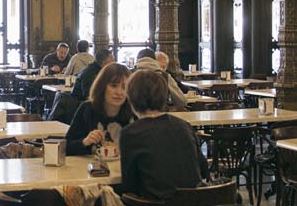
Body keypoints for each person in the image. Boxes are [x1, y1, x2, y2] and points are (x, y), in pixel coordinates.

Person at [118, 70, 205, 201]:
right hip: (197, 202)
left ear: (131, 98)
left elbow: (130, 185)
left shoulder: (130, 133)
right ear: (164, 95)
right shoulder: (184, 125)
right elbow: (203, 170)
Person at [64, 63, 135, 156]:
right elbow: (66, 147)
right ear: (102, 86)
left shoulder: (134, 111)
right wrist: (85, 142)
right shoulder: (87, 109)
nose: (119, 92)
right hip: (90, 168)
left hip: (123, 169)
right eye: (113, 86)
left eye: (124, 87)